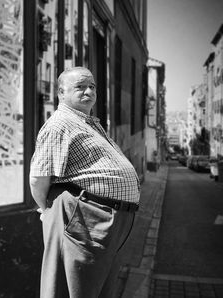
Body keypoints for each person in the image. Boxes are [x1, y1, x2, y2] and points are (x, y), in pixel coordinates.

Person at [29, 67, 140, 298]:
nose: (89, 91)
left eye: (92, 86)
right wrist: (46, 210)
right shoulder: (59, 124)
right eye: (80, 87)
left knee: (97, 290)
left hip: (106, 220)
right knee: (75, 290)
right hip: (86, 218)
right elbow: (38, 178)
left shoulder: (86, 122)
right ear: (61, 92)